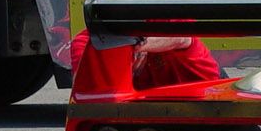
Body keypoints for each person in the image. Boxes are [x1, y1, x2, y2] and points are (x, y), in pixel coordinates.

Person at [68, 29, 219, 89]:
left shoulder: (159, 25)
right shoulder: (86, 42)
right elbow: (80, 88)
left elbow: (182, 38)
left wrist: (140, 45)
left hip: (206, 91)